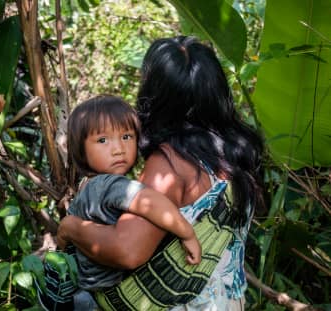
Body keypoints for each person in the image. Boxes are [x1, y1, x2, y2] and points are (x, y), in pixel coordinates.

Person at [58, 36, 264, 310]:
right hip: (230, 301)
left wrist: (71, 227)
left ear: (154, 94)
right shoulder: (239, 152)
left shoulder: (170, 163)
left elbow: (127, 251)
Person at [42, 95, 201, 310]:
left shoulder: (87, 186)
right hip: (104, 299)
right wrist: (187, 233)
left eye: (126, 136)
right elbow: (151, 203)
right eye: (103, 140)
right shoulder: (108, 185)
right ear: (80, 149)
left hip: (86, 295)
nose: (118, 149)